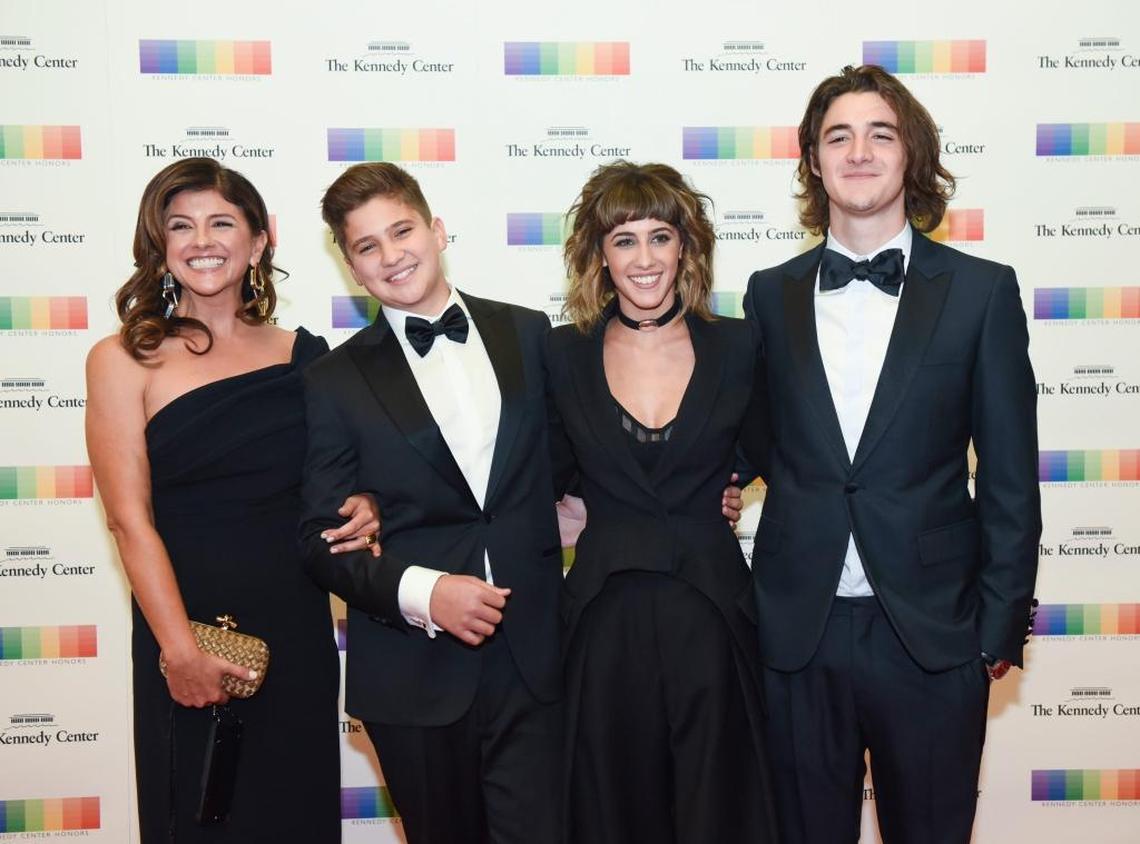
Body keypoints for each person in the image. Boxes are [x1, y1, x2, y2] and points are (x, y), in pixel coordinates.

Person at [741, 64, 1041, 843]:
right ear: (813, 159)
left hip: (934, 635)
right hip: (796, 633)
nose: (860, 151)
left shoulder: (981, 292)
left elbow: (1010, 477)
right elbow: (749, 440)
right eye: (838, 135)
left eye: (881, 133)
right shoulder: (768, 295)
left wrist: (995, 628)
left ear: (913, 152)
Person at [86, 157, 379, 842]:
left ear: (258, 241)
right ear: (159, 245)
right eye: (180, 226)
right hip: (187, 633)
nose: (202, 240)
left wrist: (366, 502)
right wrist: (179, 649)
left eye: (222, 222)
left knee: (293, 815)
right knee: (201, 815)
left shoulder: (310, 358)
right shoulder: (125, 358)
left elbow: (334, 486)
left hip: (296, 632)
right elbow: (129, 522)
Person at [300, 162, 564, 844]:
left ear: (438, 230)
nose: (391, 256)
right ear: (352, 268)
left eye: (402, 231)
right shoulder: (333, 380)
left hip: (537, 661)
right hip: (413, 672)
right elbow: (321, 540)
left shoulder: (531, 335)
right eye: (367, 247)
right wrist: (426, 593)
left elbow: (582, 462)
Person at [547, 160, 778, 844]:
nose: (644, 259)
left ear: (687, 246)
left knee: (720, 812)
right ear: (598, 255)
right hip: (601, 622)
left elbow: (792, 464)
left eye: (660, 236)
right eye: (624, 240)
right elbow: (531, 480)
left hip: (712, 618)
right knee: (610, 814)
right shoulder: (560, 356)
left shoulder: (741, 346)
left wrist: (731, 489)